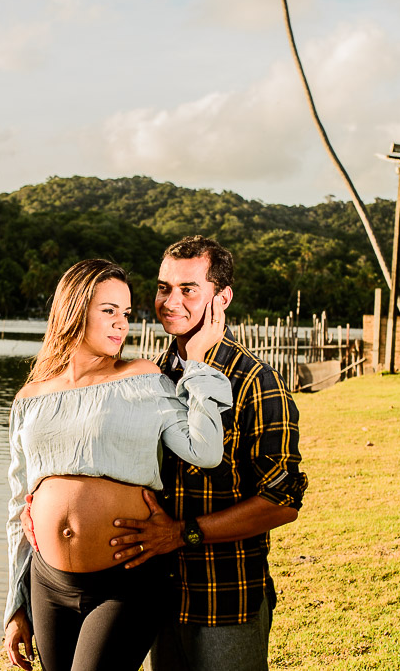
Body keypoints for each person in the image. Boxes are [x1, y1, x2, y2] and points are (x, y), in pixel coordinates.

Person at [2, 258, 232, 671]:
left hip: (125, 580)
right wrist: (15, 607)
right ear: (74, 310)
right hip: (48, 582)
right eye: (109, 311)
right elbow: (19, 504)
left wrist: (197, 360)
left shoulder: (142, 378)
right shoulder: (30, 397)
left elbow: (205, 450)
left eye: (126, 314)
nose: (122, 324)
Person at [107, 236, 308, 671]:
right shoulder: (151, 376)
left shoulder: (255, 380)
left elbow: (283, 501)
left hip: (225, 601)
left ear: (223, 297)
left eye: (188, 289)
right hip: (158, 598)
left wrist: (181, 533)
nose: (170, 301)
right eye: (164, 288)